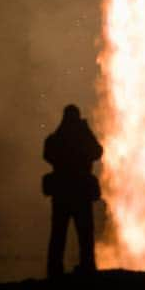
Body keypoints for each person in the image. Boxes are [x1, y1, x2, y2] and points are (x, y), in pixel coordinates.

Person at [43, 105, 103, 277]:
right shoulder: (82, 137)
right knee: (84, 234)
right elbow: (97, 151)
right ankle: (87, 266)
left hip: (62, 192)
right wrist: (86, 132)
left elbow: (48, 154)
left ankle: (55, 269)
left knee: (58, 234)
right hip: (80, 192)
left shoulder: (57, 137)